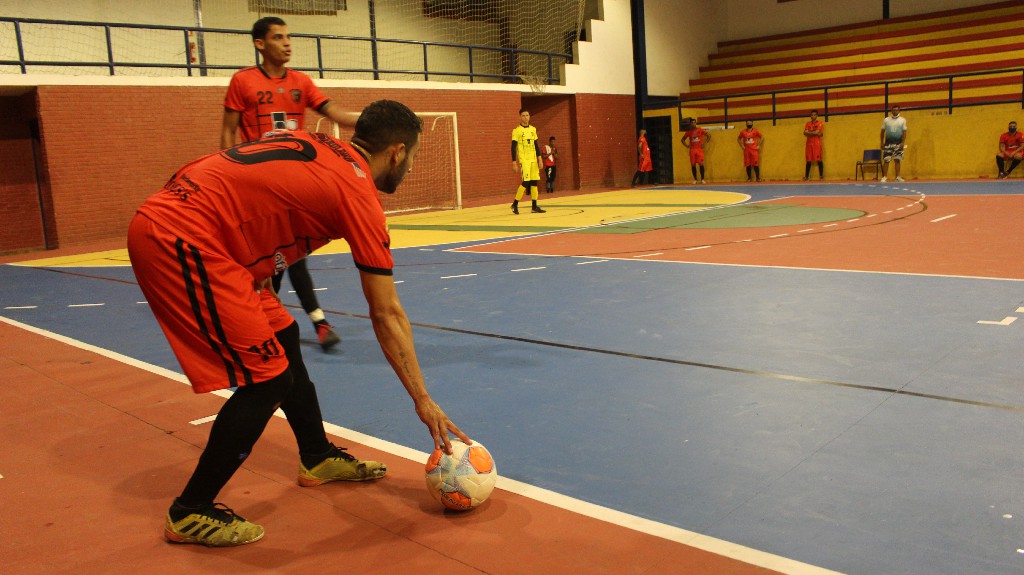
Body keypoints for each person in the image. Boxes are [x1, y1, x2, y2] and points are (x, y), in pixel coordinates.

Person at [128, 100, 470, 547]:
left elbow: (248, 183)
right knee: (267, 381)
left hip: (204, 233)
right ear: (397, 152)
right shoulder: (357, 193)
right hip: (183, 240)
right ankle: (190, 510)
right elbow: (386, 311)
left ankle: (316, 456)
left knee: (284, 335)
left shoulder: (318, 143)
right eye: (414, 157)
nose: (411, 168)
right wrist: (423, 400)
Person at [221, 17, 357, 351]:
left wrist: (373, 119)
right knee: (274, 262)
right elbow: (227, 131)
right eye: (278, 37)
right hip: (257, 187)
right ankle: (298, 323)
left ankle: (292, 323)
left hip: (292, 186)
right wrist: (227, 175)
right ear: (259, 44)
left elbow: (337, 114)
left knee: (291, 256)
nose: (287, 43)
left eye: (288, 37)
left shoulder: (301, 82)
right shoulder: (242, 81)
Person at [510, 108, 546, 214]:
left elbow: (536, 145)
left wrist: (540, 159)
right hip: (524, 160)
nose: (526, 117)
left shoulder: (533, 129)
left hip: (533, 159)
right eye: (523, 115)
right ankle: (515, 204)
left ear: (529, 116)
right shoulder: (517, 131)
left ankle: (534, 206)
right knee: (526, 182)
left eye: (527, 115)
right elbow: (513, 147)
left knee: (534, 182)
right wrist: (514, 162)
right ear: (520, 117)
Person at [879, 105, 907, 182]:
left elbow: (904, 132)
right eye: (893, 110)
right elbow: (882, 132)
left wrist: (903, 143)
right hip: (888, 143)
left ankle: (897, 176)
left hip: (898, 143)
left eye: (896, 110)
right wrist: (881, 142)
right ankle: (884, 177)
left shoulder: (902, 120)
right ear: (891, 111)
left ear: (899, 111)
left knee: (897, 160)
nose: (895, 111)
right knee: (886, 160)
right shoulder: (886, 120)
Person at [681, 119, 711, 184]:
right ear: (690, 124)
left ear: (696, 123)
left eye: (694, 122)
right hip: (692, 150)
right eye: (692, 123)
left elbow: (709, 135)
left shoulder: (700, 130)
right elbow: (682, 140)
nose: (693, 124)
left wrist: (705, 143)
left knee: (701, 164)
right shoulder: (688, 132)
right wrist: (687, 145)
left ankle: (702, 179)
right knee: (693, 165)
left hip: (699, 149)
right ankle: (695, 179)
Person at [803, 110, 824, 180]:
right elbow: (805, 133)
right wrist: (815, 133)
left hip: (817, 144)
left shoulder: (820, 123)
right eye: (812, 115)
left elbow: (816, 132)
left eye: (814, 115)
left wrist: (809, 132)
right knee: (808, 160)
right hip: (809, 144)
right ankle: (806, 177)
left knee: (819, 160)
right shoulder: (807, 124)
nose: (813, 116)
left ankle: (821, 176)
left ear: (817, 116)